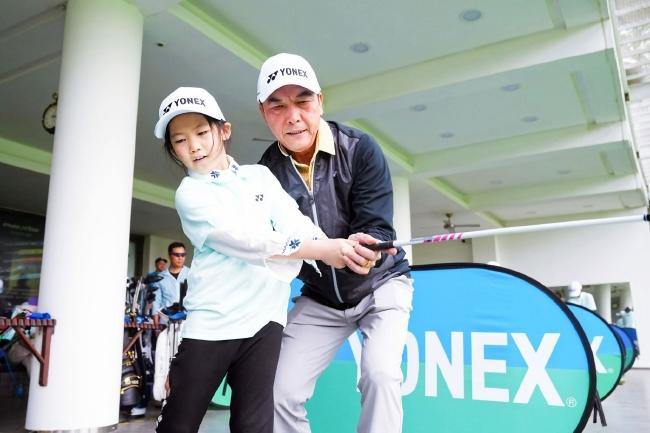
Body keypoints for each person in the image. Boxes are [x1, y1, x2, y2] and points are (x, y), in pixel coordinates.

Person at [152, 86, 366, 433]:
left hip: (265, 322)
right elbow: (249, 242)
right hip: (213, 324)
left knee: (255, 427)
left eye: (202, 133)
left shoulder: (260, 177)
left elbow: (296, 223)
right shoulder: (190, 194)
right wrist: (322, 251)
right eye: (180, 140)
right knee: (179, 424)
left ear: (224, 130)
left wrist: (339, 248)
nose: (194, 146)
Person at [257, 53, 413, 433]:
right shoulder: (264, 173)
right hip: (320, 297)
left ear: (320, 102)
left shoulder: (360, 148)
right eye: (278, 106)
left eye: (303, 101)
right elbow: (272, 244)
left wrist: (365, 249)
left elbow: (377, 228)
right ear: (263, 112)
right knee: (277, 390)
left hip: (380, 285)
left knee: (381, 374)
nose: (293, 116)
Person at [151, 242, 190, 320]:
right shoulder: (160, 277)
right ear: (169, 256)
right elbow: (156, 300)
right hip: (166, 319)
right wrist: (155, 316)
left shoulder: (191, 274)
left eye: (183, 255)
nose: (180, 258)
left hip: (187, 319)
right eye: (177, 255)